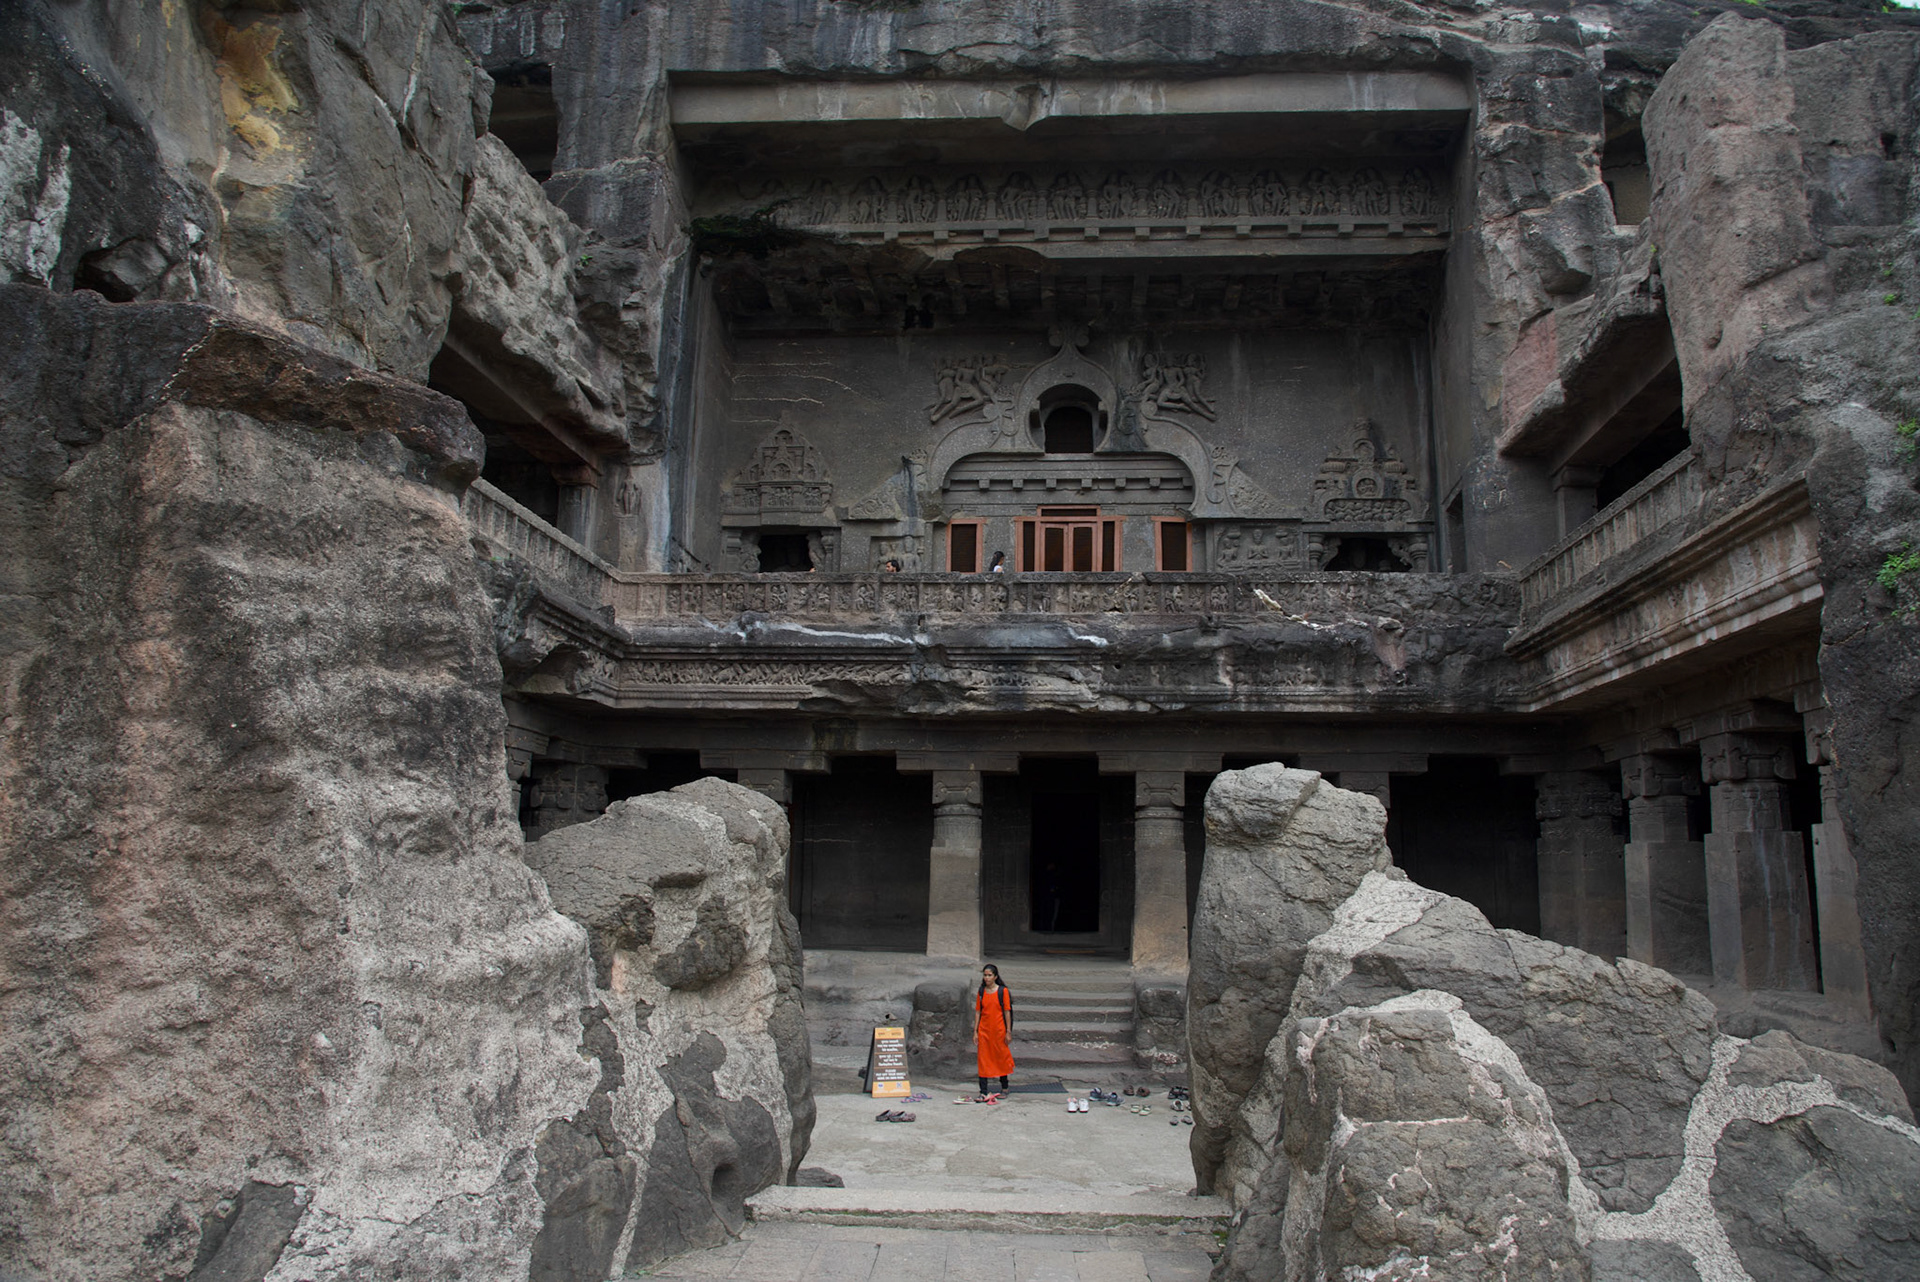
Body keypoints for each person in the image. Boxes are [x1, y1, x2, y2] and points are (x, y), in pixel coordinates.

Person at [973, 963, 1014, 1097]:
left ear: (995, 977)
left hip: (999, 1030)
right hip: (984, 1030)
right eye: (985, 975)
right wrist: (975, 1031)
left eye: (989, 975)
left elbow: (1007, 1012)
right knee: (983, 1059)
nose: (987, 978)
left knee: (1000, 1057)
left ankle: (1005, 1087)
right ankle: (983, 1091)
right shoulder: (981, 992)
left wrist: (1008, 1031)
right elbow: (978, 1012)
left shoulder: (1003, 991)